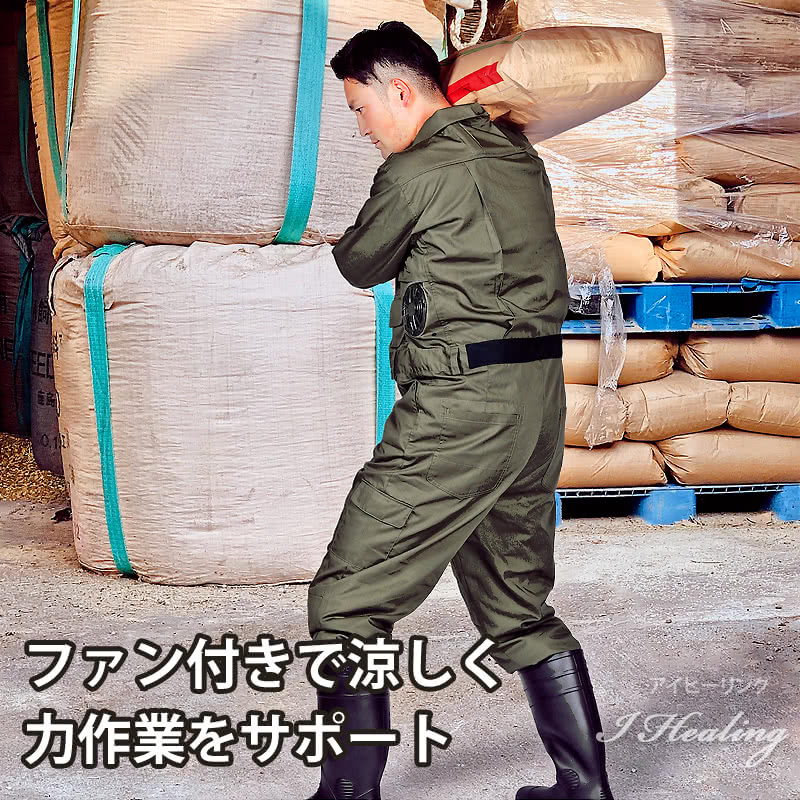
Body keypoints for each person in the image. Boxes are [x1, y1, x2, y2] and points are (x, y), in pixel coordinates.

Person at [306, 19, 615, 800]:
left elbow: (358, 262)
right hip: (536, 403)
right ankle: (584, 790)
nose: (362, 127)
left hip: (462, 410)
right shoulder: (517, 154)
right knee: (517, 605)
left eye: (360, 108)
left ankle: (347, 797)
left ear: (400, 91)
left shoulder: (417, 171)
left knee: (347, 601)